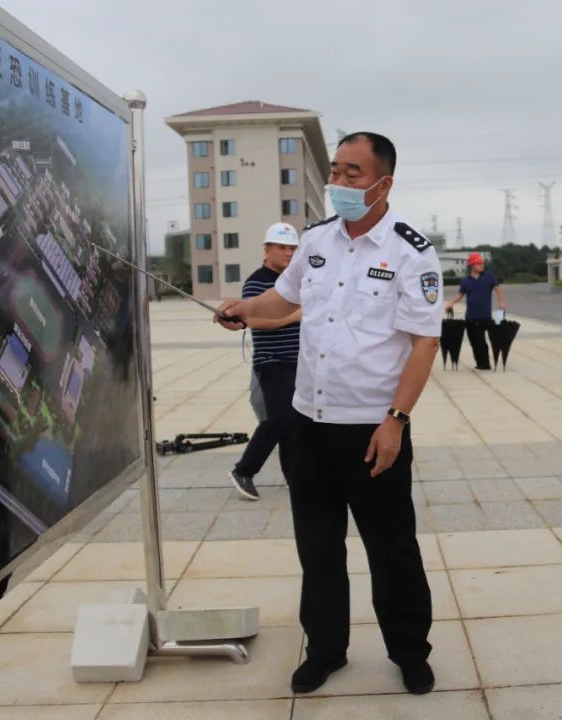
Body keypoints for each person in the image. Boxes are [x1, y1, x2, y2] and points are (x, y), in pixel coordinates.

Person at [216, 132, 442, 695]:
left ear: (384, 183)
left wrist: (396, 420)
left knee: (392, 548)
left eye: (352, 174)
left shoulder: (411, 252)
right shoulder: (316, 240)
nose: (338, 183)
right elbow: (285, 299)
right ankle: (325, 650)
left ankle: (410, 649)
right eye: (335, 172)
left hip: (372, 429)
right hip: (307, 424)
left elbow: (424, 344)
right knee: (317, 548)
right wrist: (244, 307)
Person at [224, 222, 302, 500]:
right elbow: (255, 320)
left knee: (294, 424)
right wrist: (296, 315)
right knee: (280, 420)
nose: (289, 253)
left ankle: (296, 479)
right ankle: (243, 470)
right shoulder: (257, 281)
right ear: (267, 249)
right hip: (272, 362)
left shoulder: (295, 280)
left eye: (293, 248)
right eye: (282, 247)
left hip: (299, 362)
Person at [444, 253, 506, 370]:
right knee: (475, 342)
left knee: (489, 339)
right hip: (471, 317)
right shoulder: (466, 281)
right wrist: (451, 302)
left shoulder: (489, 277)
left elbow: (498, 289)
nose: (482, 265)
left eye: (482, 263)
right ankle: (481, 364)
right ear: (472, 265)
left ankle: (491, 362)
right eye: (479, 263)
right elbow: (460, 295)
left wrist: (501, 302)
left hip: (486, 316)